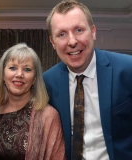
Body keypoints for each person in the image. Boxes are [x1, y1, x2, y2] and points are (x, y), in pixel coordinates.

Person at [43, 1, 132, 160]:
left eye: (79, 30)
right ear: (53, 42)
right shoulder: (47, 82)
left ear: (93, 32)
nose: (72, 41)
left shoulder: (127, 69)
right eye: (62, 34)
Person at [0, 43, 66, 160]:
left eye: (27, 69)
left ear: (34, 79)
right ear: (3, 74)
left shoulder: (48, 116)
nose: (19, 74)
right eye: (13, 68)